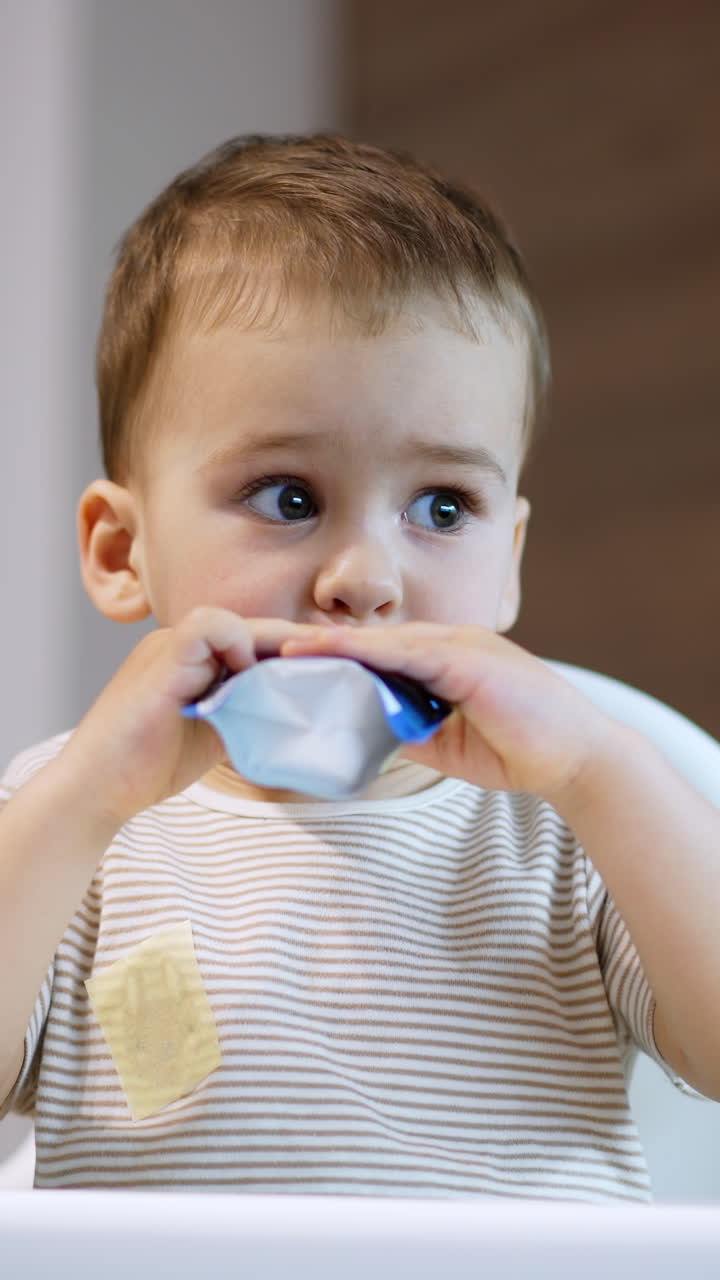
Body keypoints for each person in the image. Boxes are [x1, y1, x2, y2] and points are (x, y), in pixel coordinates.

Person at [0, 134, 718, 1201]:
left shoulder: (563, 829)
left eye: (443, 506)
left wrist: (601, 772)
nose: (365, 578)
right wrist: (85, 799)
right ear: (121, 550)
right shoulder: (79, 820)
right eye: (289, 496)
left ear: (508, 564)